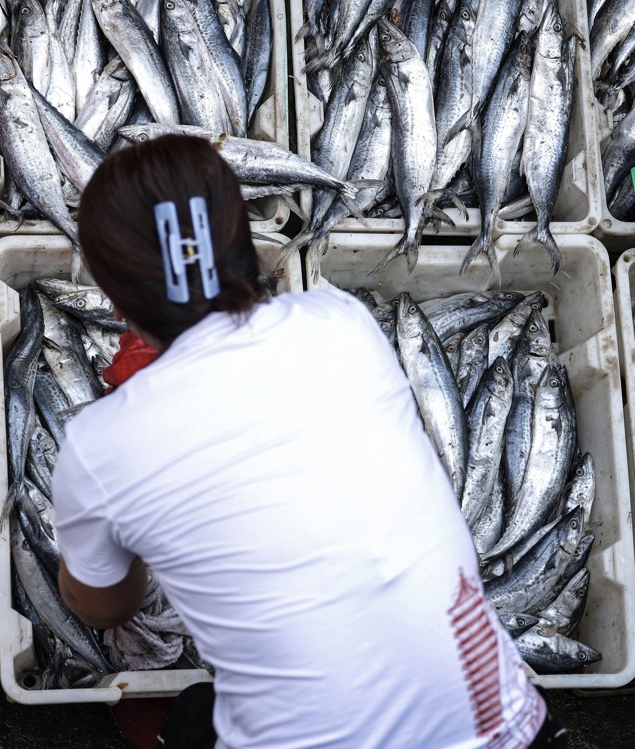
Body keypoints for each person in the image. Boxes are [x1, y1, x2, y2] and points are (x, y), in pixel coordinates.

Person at [50, 135, 568, 749]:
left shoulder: (100, 443)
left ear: (113, 297)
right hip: (510, 734)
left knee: (193, 718)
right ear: (247, 241)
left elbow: (104, 608)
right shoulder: (341, 323)